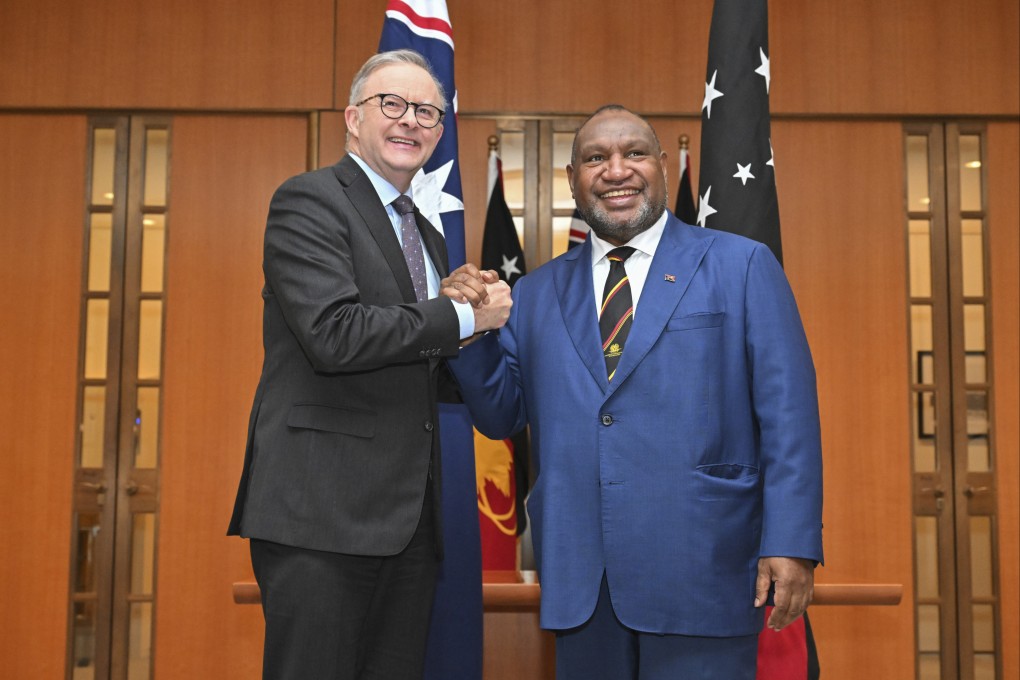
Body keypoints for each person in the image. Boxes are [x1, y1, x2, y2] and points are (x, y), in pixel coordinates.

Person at [448, 105, 823, 680]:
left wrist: (792, 542)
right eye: (595, 158)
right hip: (583, 579)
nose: (615, 169)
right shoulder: (538, 291)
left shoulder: (741, 265)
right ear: (573, 179)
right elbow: (502, 417)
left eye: (634, 153)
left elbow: (788, 417)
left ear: (663, 167)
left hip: (706, 568)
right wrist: (471, 331)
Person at [227, 49, 511, 680]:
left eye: (427, 112)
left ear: (440, 134)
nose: (410, 120)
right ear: (353, 118)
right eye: (393, 105)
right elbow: (334, 334)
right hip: (320, 518)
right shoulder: (310, 201)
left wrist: (475, 337)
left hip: (407, 524)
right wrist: (464, 318)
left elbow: (413, 357)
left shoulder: (429, 235)